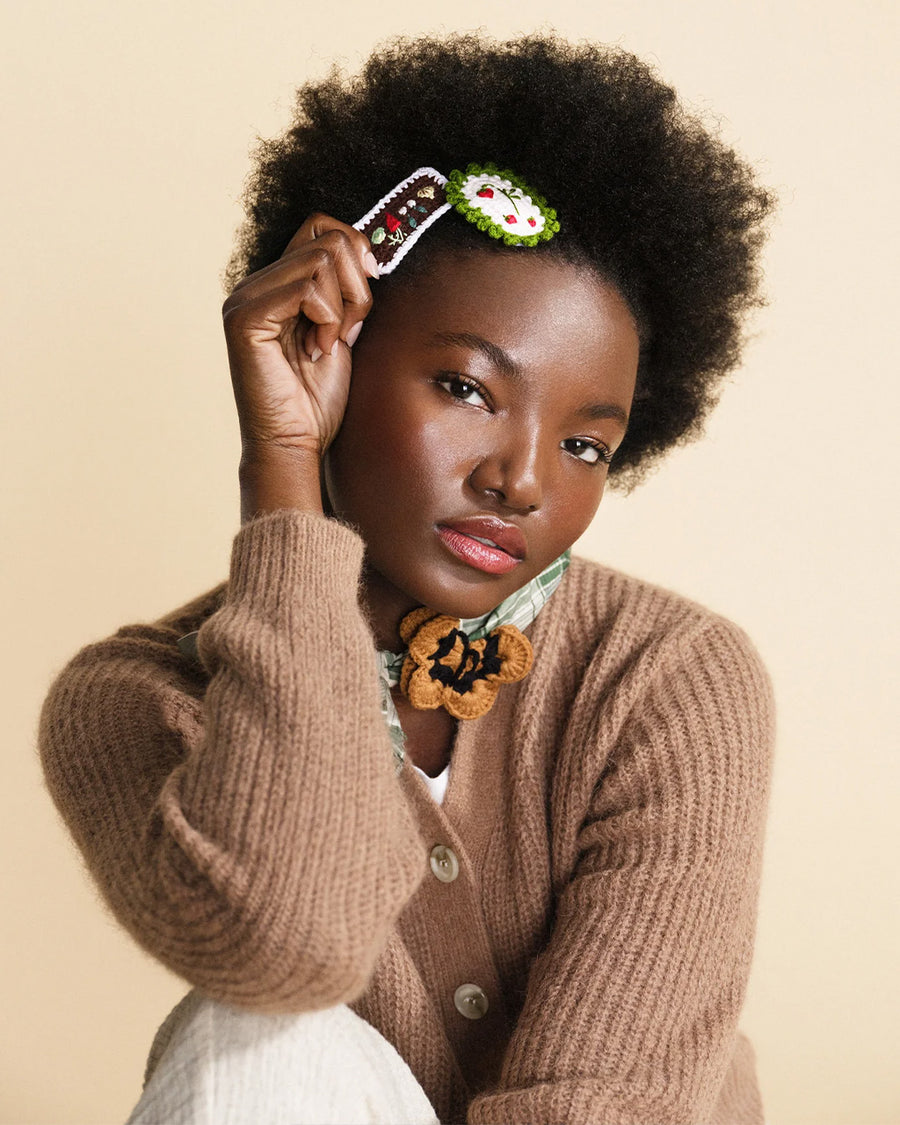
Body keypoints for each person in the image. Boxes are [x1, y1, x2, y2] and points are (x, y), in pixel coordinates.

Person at [38, 31, 776, 1125]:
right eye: (465, 386)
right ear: (328, 348)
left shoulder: (668, 677)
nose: (522, 480)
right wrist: (282, 470)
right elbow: (286, 947)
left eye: (587, 446)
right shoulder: (135, 699)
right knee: (250, 1038)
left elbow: (604, 1106)